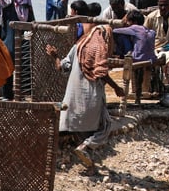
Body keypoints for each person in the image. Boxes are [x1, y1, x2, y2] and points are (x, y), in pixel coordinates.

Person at [48, 23, 124, 170]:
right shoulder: (99, 50)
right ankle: (85, 148)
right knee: (105, 125)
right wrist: (116, 88)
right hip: (92, 97)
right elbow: (102, 74)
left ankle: (88, 164)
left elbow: (61, 67)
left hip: (72, 98)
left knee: (81, 128)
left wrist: (55, 56)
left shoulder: (78, 47)